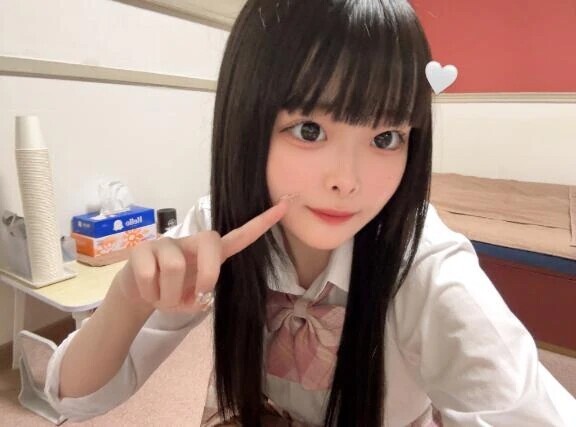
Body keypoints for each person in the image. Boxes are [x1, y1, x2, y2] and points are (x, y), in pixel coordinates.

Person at [44, 0, 576, 426]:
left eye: (386, 138)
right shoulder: (218, 229)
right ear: (246, 121)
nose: (348, 180)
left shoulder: (427, 269)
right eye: (310, 130)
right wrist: (128, 298)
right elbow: (73, 397)